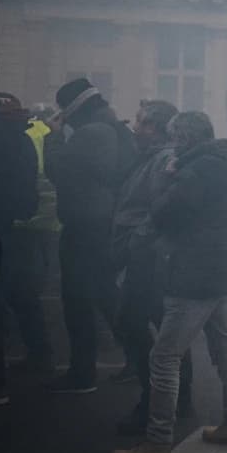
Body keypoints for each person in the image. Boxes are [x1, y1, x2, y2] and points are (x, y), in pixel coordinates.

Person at [113, 112, 227, 453]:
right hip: (221, 268)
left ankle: (158, 443)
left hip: (192, 272)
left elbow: (163, 213)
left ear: (185, 139)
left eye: (174, 138)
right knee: (225, 349)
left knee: (164, 357)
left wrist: (168, 178)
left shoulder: (194, 171)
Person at [44, 78, 136, 394]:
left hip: (83, 227)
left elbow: (57, 170)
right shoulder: (116, 130)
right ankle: (138, 359)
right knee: (106, 295)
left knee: (77, 302)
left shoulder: (89, 134)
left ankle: (82, 374)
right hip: (104, 223)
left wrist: (53, 138)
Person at [111, 100, 195, 435]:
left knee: (132, 323)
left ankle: (154, 400)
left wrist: (135, 242)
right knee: (166, 329)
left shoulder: (162, 159)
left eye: (143, 124)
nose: (136, 128)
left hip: (148, 257)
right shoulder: (153, 156)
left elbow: (158, 210)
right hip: (150, 254)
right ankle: (179, 397)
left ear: (159, 129)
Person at [0, 95, 53, 382]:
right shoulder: (24, 138)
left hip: (2, 223)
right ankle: (41, 355)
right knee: (22, 294)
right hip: (22, 224)